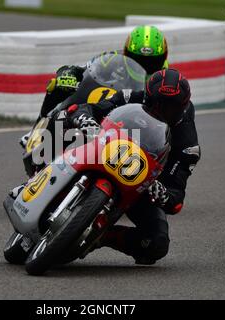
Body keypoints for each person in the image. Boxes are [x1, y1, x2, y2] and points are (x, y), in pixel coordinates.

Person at [66, 69, 201, 265]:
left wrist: (161, 191)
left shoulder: (188, 146)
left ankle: (102, 236)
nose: (162, 112)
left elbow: (176, 199)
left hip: (138, 185)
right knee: (61, 119)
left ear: (182, 107)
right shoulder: (131, 97)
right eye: (157, 105)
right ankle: (39, 174)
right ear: (147, 98)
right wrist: (86, 120)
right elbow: (85, 108)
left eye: (170, 109)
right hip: (102, 152)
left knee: (157, 244)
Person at [20, 25, 169, 147]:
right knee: (56, 85)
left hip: (136, 124)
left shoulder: (166, 77)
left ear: (163, 58)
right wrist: (68, 74)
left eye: (152, 61)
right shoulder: (111, 60)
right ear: (126, 53)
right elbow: (82, 70)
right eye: (137, 59)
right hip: (105, 108)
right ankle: (39, 127)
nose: (143, 65)